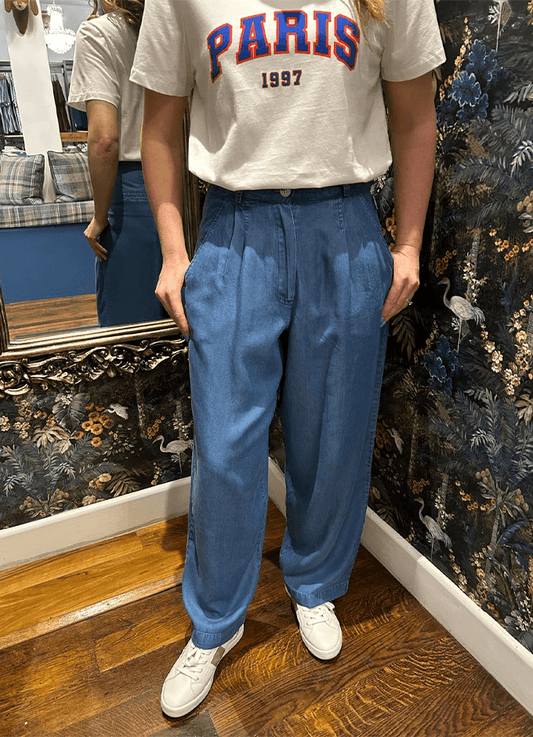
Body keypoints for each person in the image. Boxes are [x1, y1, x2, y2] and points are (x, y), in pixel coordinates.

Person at [131, 0, 446, 719]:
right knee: (224, 442)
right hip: (233, 224)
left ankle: (314, 582)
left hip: (344, 221)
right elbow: (160, 124)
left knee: (333, 430)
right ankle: (215, 620)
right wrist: (174, 251)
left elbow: (413, 117)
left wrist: (407, 243)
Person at [68, 0, 167, 327]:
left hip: (133, 191)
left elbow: (104, 140)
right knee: (182, 331)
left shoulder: (98, 34)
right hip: (190, 186)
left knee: (130, 337)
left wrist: (99, 217)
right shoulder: (171, 27)